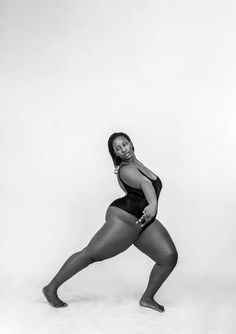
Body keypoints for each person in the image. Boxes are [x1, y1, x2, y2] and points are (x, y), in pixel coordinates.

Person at [42, 132, 178, 312]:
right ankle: (51, 288)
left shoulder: (137, 165)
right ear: (115, 153)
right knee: (90, 254)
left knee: (168, 257)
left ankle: (147, 298)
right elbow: (145, 183)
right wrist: (153, 204)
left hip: (143, 220)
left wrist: (151, 208)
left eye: (125, 144)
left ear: (131, 143)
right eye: (118, 148)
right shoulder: (125, 169)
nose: (123, 149)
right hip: (125, 219)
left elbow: (134, 188)